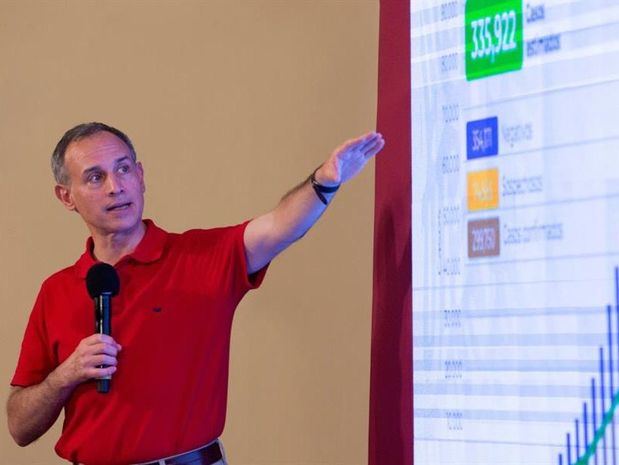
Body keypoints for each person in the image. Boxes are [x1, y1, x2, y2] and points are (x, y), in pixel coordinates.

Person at [6, 122, 385, 465]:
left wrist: (324, 181)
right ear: (66, 196)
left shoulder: (201, 258)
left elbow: (278, 227)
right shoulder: (56, 290)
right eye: (94, 177)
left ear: (140, 176)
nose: (114, 186)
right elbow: (20, 427)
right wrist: (66, 374)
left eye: (123, 169)